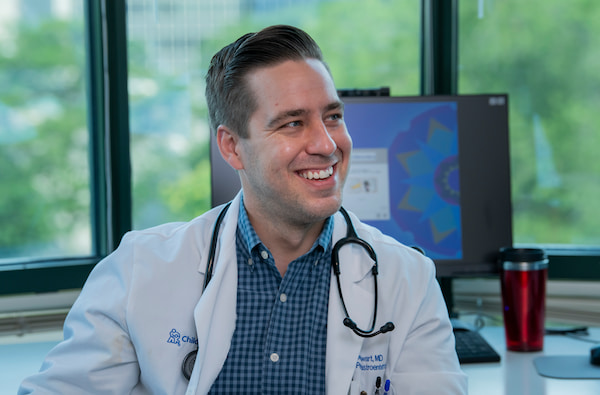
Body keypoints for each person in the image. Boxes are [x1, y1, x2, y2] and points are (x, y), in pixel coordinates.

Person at [19, 25, 467, 394]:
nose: (327, 145)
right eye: (293, 123)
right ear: (232, 147)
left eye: (332, 116)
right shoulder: (141, 268)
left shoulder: (407, 280)